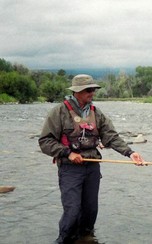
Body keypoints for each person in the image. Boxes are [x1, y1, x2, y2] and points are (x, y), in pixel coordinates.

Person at [38, 74, 144, 244]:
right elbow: (45, 141)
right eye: (88, 90)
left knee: (90, 211)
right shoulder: (59, 112)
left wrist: (130, 153)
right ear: (77, 92)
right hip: (69, 169)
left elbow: (111, 137)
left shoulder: (97, 113)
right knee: (72, 211)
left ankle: (87, 239)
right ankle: (64, 239)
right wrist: (68, 153)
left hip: (92, 168)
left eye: (93, 89)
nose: (92, 93)